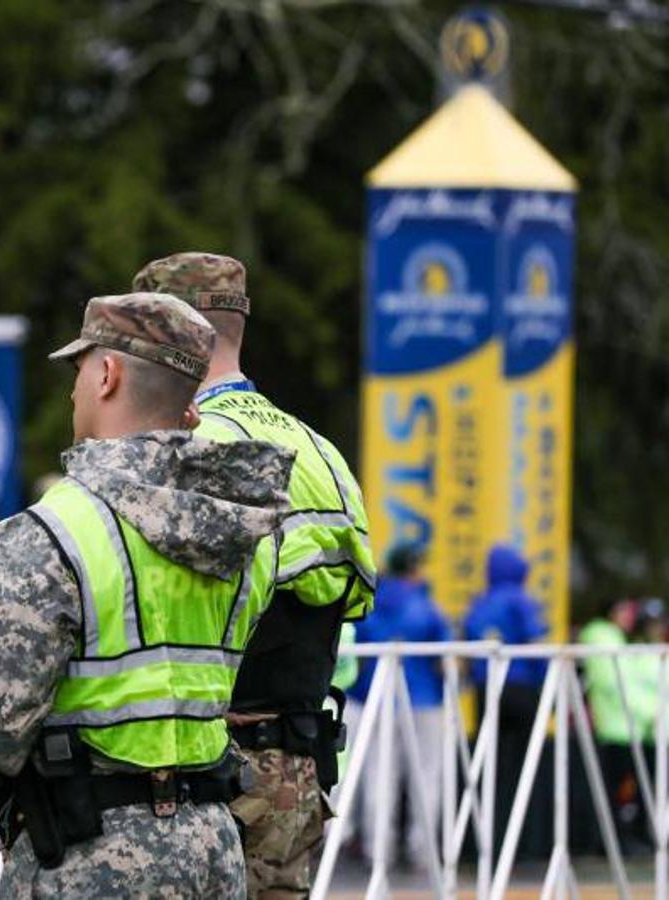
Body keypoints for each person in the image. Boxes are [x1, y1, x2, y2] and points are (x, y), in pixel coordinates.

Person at [0, 292, 294, 897]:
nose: (73, 391)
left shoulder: (53, 533)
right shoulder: (241, 527)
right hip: (213, 847)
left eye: (78, 371)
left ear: (107, 373)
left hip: (88, 852)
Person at [132, 252, 376, 898]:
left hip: (206, 775)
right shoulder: (322, 452)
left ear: (169, 335)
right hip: (296, 776)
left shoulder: (182, 445)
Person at [348, 542, 450, 870]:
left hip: (375, 698)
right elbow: (445, 657)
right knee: (426, 776)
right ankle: (423, 851)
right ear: (414, 568)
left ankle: (379, 850)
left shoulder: (370, 603)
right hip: (423, 699)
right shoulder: (426, 605)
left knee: (379, 774)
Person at [464, 544, 550, 858]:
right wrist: (547, 687)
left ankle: (487, 845)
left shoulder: (479, 602)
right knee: (526, 769)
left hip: (487, 690)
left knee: (491, 768)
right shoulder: (521, 600)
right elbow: (536, 641)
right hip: (523, 689)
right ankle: (526, 845)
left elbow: (470, 641)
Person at [581, 597, 653, 848]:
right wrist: (648, 711)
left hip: (633, 726)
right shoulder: (603, 638)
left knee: (626, 789)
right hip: (616, 727)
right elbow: (615, 683)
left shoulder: (620, 640)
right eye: (625, 610)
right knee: (614, 789)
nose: (630, 616)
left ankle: (620, 840)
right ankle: (612, 842)